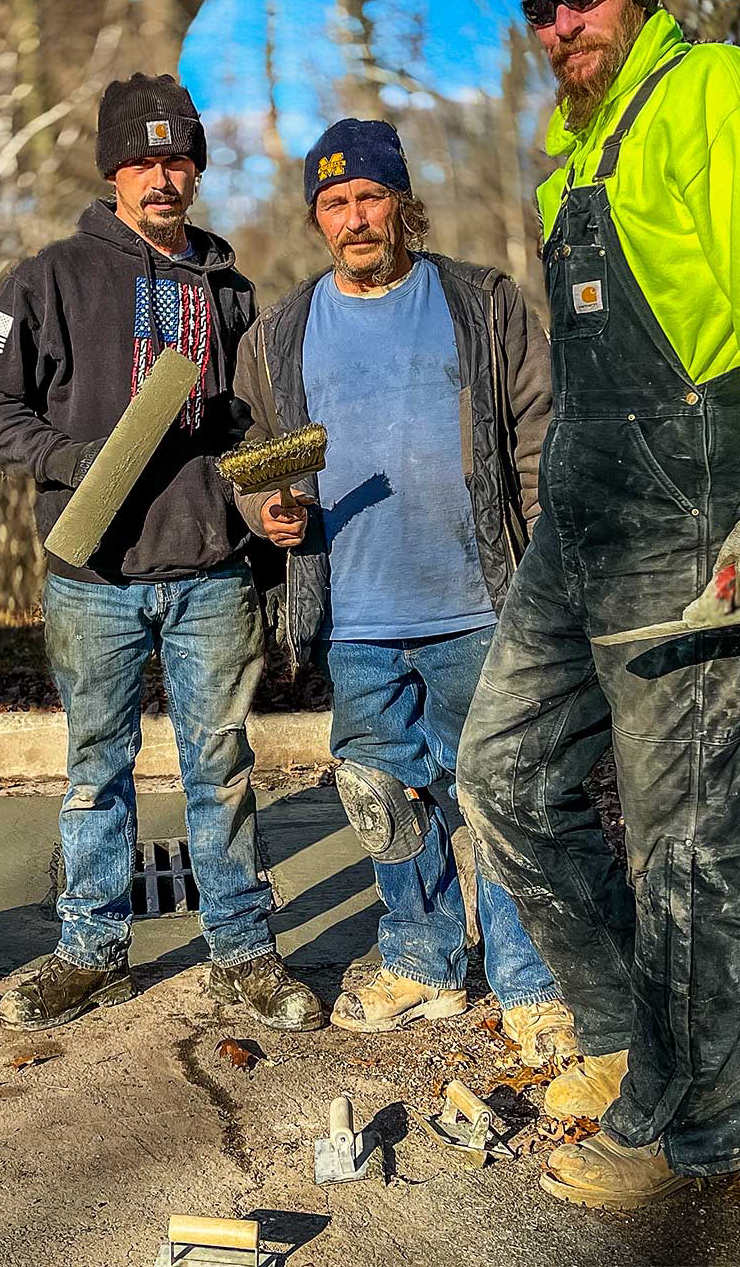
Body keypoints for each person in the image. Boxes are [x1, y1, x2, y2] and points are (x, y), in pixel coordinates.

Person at [455, 0, 740, 1206]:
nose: (561, 26)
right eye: (540, 11)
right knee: (505, 769)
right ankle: (629, 1032)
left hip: (688, 513)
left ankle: (695, 1124)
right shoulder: (574, 154)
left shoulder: (718, 96)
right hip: (582, 519)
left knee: (683, 839)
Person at [0, 74, 322, 1034]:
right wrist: (71, 461)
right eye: (142, 161)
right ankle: (91, 949)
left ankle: (243, 951)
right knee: (94, 770)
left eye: (178, 160)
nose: (162, 178)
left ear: (195, 170)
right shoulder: (49, 279)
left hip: (210, 569)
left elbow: (256, 423)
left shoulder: (230, 290)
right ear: (113, 170)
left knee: (222, 766)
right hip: (94, 575)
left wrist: (271, 500)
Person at [231, 119, 577, 1067]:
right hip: (355, 617)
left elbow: (542, 434)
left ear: (402, 203)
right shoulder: (278, 335)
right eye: (335, 203)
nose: (355, 218)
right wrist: (272, 510)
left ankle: (530, 980)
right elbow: (255, 460)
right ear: (316, 216)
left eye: (371, 197)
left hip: (480, 604)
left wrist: (549, 568)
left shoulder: (481, 303)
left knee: (500, 792)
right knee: (381, 791)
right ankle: (422, 960)